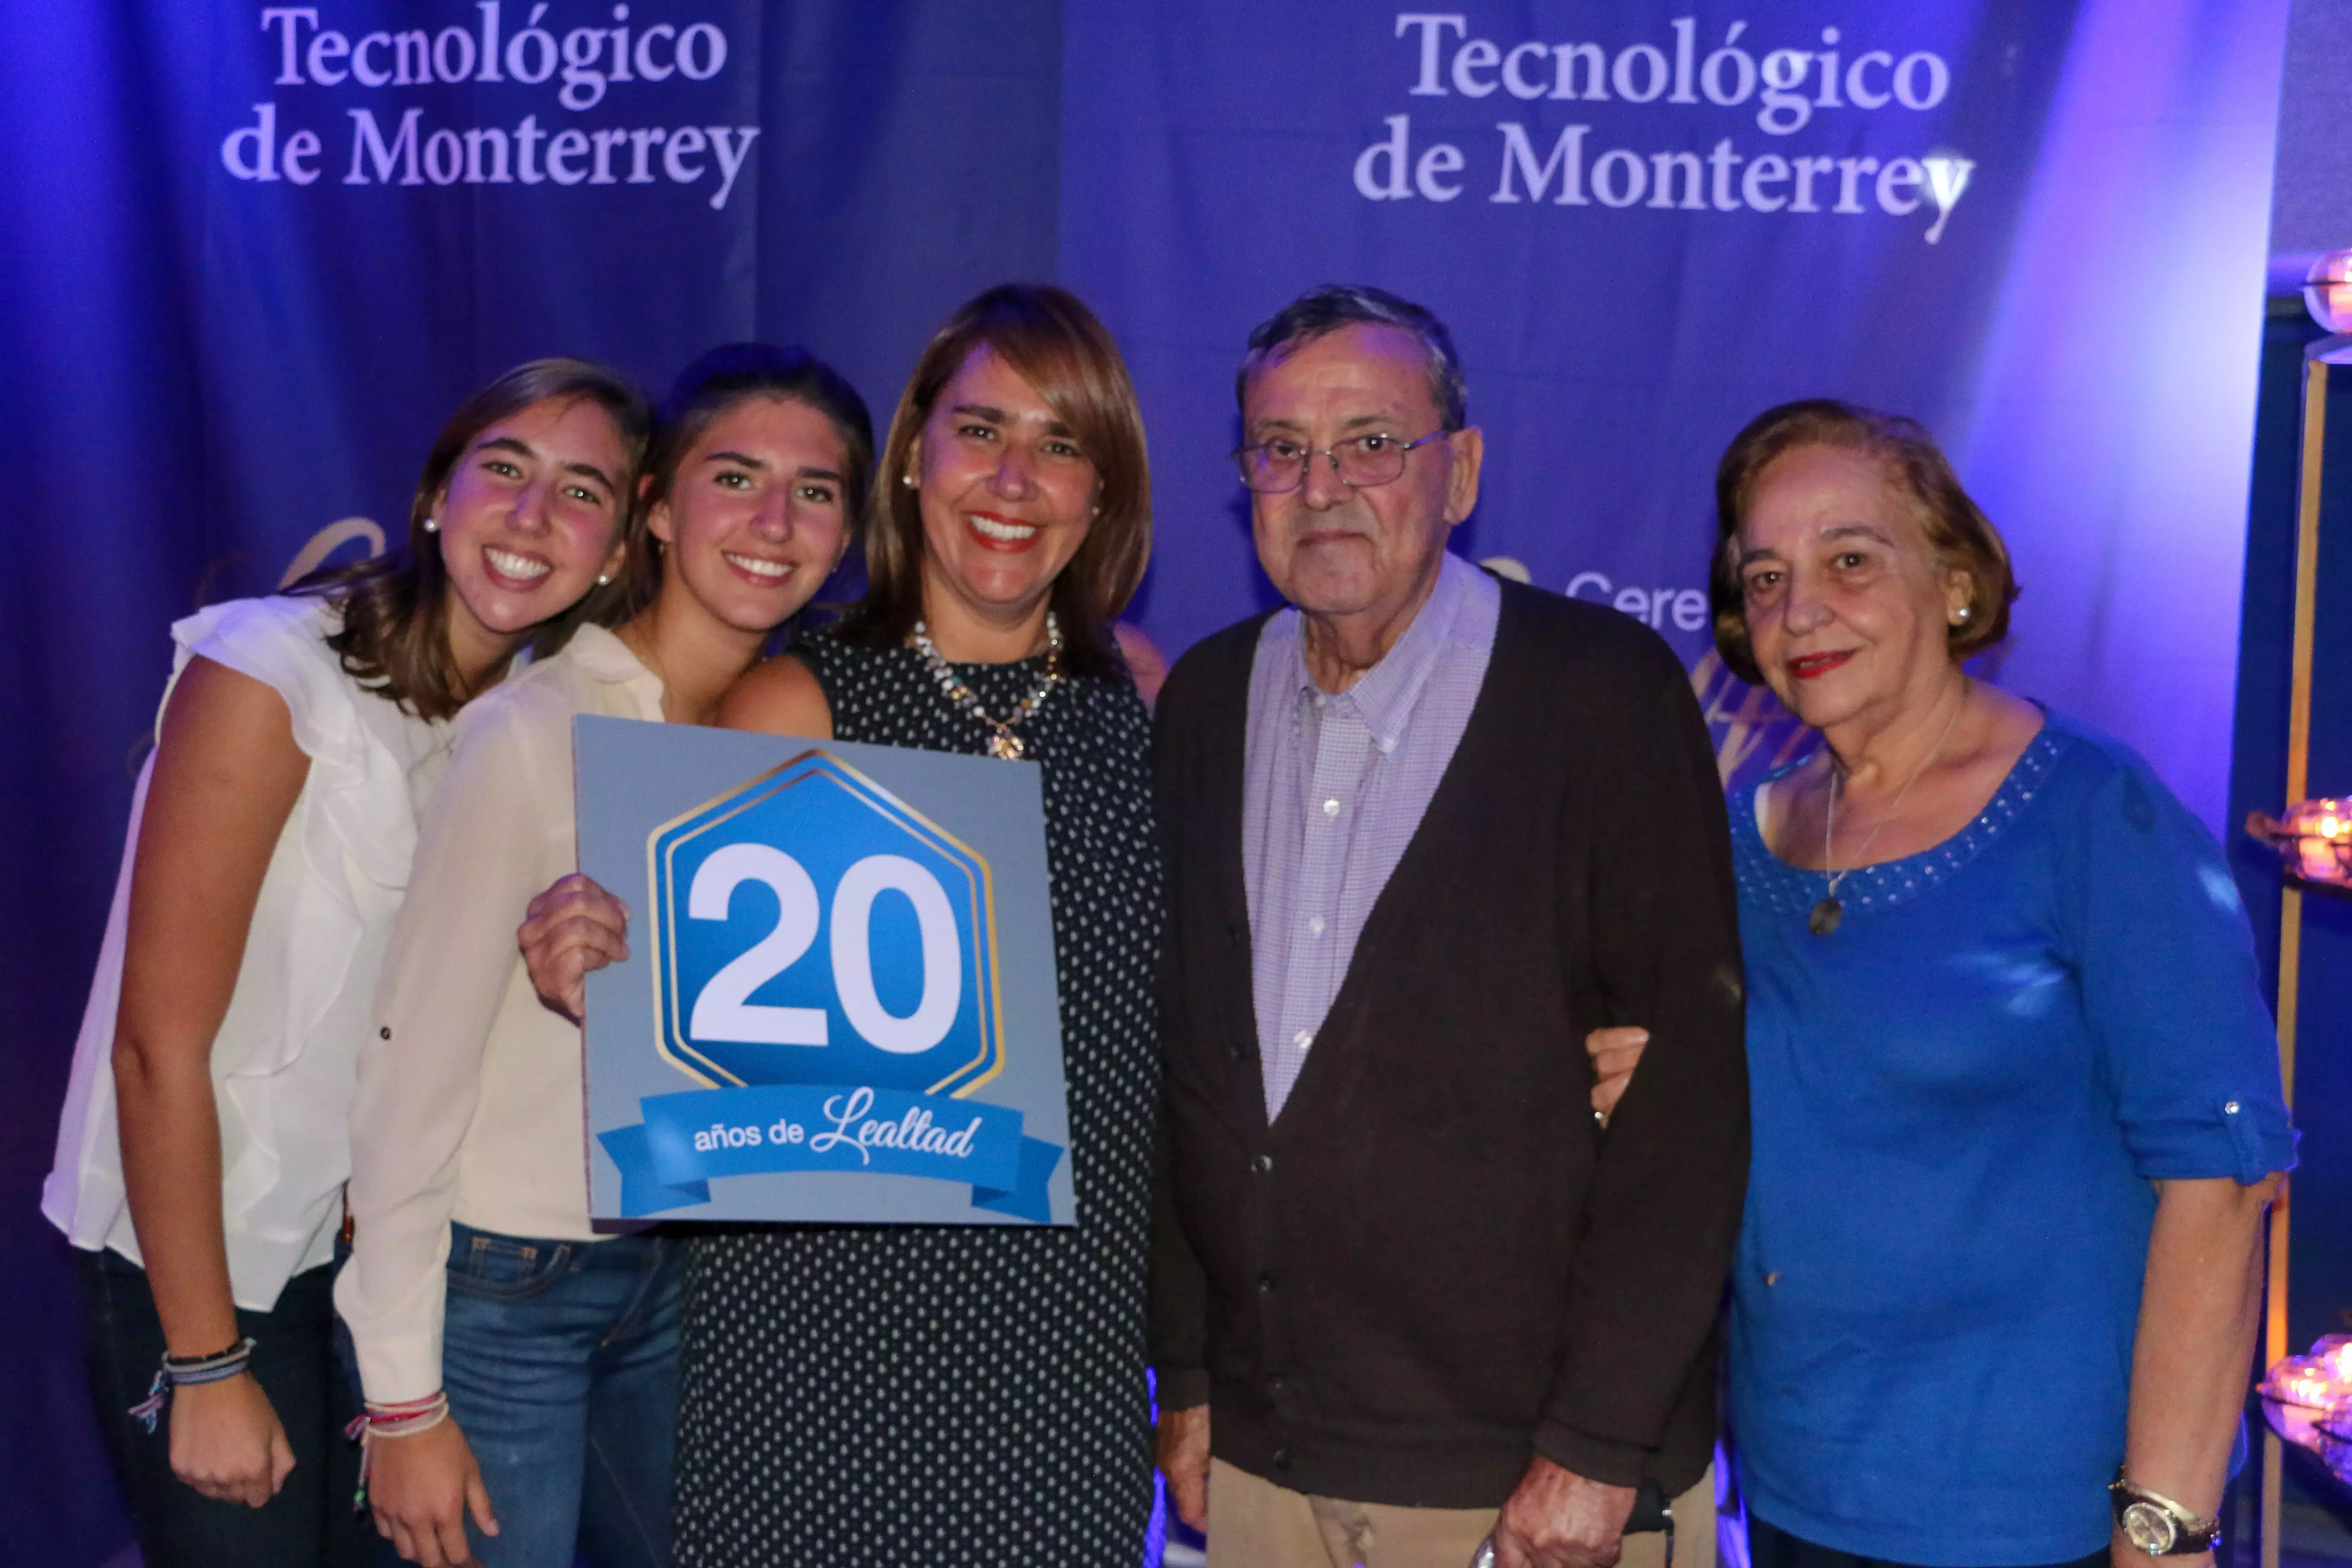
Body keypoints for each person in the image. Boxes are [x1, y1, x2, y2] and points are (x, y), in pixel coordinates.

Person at [517, 283, 1164, 1565]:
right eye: (981, 430)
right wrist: (601, 965)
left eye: (1062, 444)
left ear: (1104, 491)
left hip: (1067, 1360)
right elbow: (690, 1024)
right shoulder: (792, 707)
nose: (1014, 480)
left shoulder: (1145, 703)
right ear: (916, 452)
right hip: (823, 1345)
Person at [1596, 398, 2294, 1568]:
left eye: (1850, 560)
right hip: (1801, 1499)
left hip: (2055, 1525)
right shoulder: (1725, 851)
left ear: (1957, 584)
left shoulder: (2095, 818)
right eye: (1764, 577)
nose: (1799, 607)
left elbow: (2223, 1183)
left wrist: (2164, 1531)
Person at [1148, 284, 1749, 1568]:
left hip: (1532, 1486)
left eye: (1373, 442)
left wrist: (1597, 1448)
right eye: (1282, 449)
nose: (1323, 486)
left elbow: (1687, 1103)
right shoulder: (1201, 704)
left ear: (1460, 471)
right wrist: (1190, 1374)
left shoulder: (1604, 695)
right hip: (1266, 1466)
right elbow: (1189, 1075)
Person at [44, 359, 652, 1568]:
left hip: (384, 1284)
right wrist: (206, 1359)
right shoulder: (272, 671)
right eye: (505, 469)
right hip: (208, 1269)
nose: (533, 517)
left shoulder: (542, 730)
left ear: (624, 550)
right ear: (437, 494)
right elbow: (154, 1046)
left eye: (582, 492)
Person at [335, 345, 873, 1568]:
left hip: (690, 1289)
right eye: (734, 476)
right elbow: (406, 1076)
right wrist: (405, 1397)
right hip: (501, 1291)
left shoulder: (819, 750)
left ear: (847, 538)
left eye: (818, 490)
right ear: (660, 513)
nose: (774, 521)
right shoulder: (534, 731)